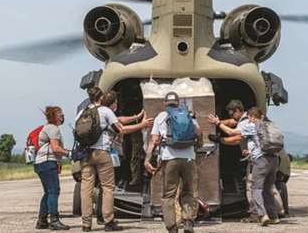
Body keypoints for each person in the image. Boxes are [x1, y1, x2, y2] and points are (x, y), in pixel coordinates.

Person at [80, 90, 154, 232]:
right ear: (101, 98)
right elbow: (121, 129)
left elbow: (119, 119)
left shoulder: (83, 113)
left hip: (85, 154)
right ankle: (108, 221)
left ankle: (86, 223)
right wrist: (142, 125)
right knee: (108, 187)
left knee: (86, 190)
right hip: (102, 153)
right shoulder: (105, 112)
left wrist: (136, 117)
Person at [208, 107, 281, 226]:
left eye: (249, 118)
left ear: (251, 117)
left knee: (256, 188)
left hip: (261, 161)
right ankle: (273, 216)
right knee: (268, 189)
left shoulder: (252, 125)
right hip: (273, 160)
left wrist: (218, 123)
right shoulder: (268, 125)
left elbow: (232, 132)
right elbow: (261, 142)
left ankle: (262, 215)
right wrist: (250, 151)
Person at [144, 92, 202, 233]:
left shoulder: (161, 117)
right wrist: (197, 146)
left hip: (169, 159)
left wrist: (148, 158)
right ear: (178, 102)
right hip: (188, 158)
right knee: (188, 191)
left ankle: (172, 227)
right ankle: (188, 221)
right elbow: (199, 132)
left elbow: (155, 140)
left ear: (165, 103)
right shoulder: (189, 115)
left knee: (169, 194)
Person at [34, 106, 71, 230]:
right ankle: (54, 220)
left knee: (48, 192)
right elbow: (55, 148)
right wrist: (69, 153)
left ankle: (42, 220)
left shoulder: (47, 128)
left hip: (40, 163)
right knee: (54, 191)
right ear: (54, 117)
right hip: (47, 162)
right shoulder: (53, 129)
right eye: (60, 114)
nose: (62, 116)